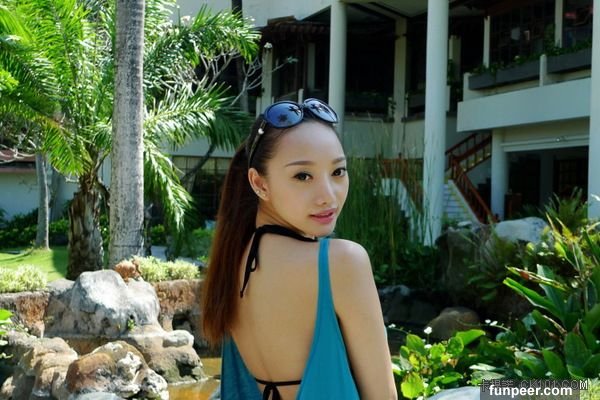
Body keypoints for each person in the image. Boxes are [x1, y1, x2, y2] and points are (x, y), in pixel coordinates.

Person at [202, 98, 397, 400]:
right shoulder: (341, 263)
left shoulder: (232, 263)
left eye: (338, 172)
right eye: (303, 176)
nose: (328, 195)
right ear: (259, 183)